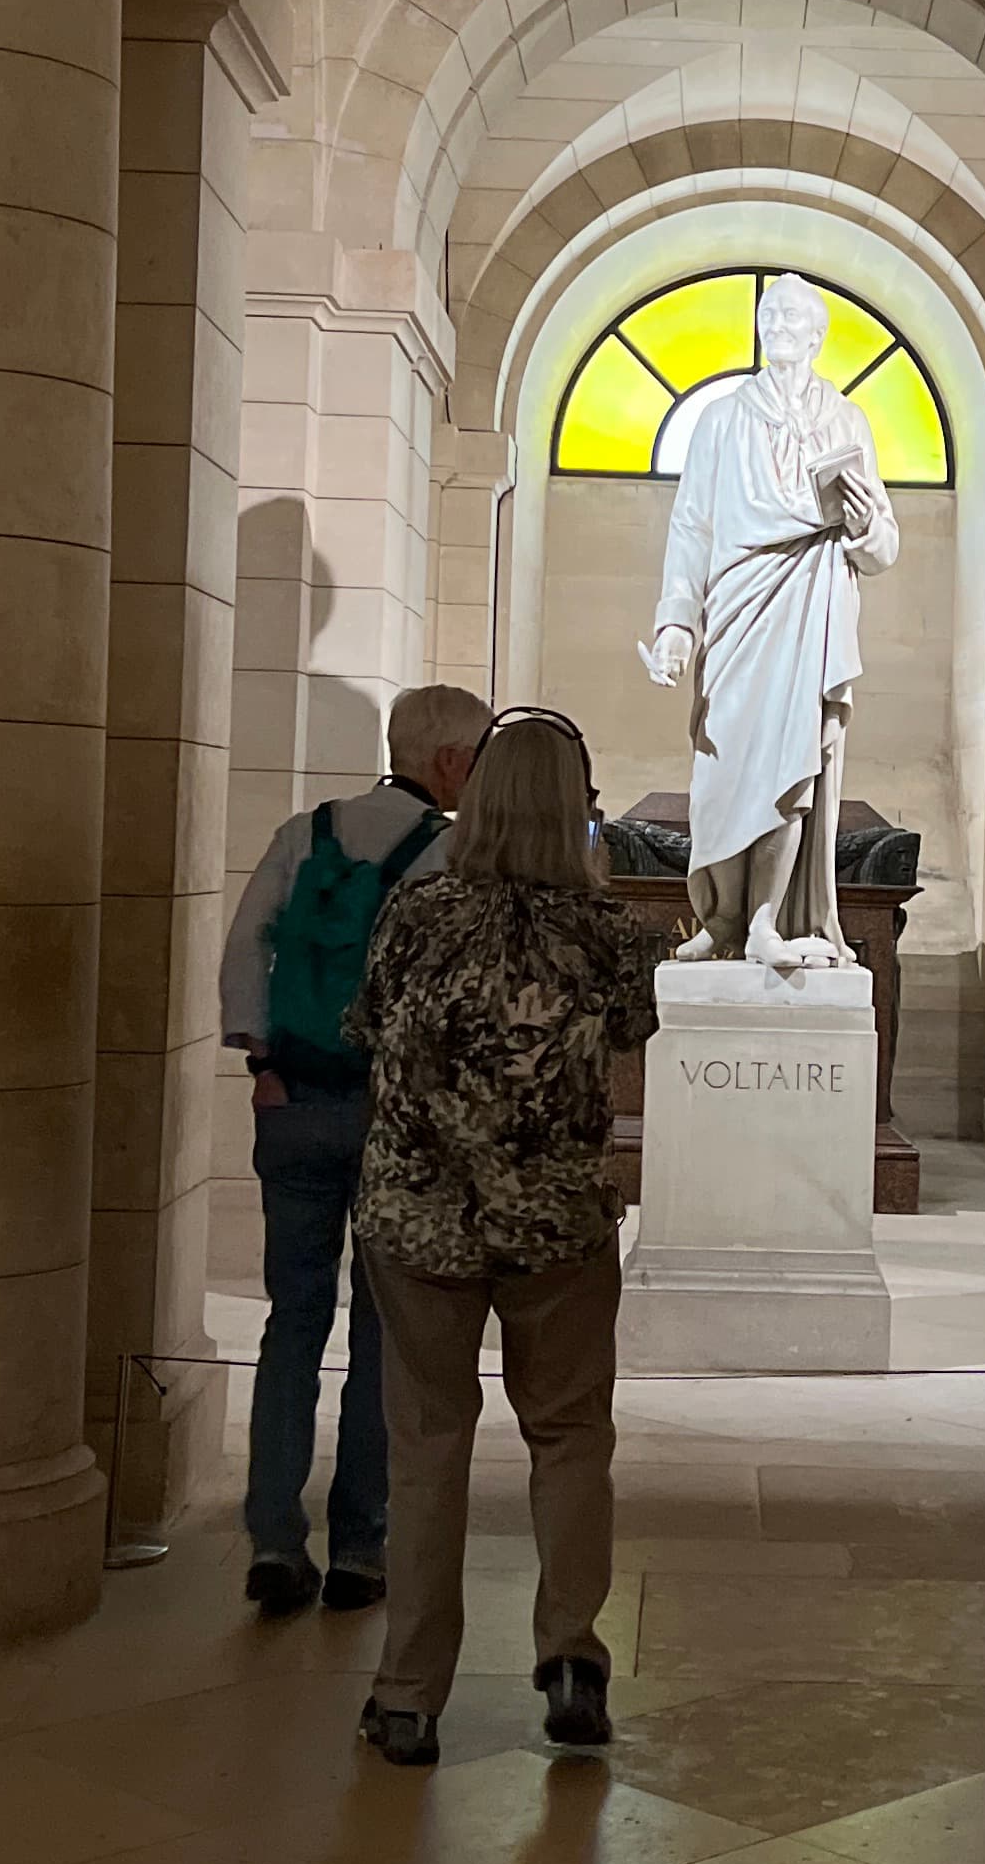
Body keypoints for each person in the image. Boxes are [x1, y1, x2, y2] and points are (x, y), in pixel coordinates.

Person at [344, 708, 660, 1767]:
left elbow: (369, 1028)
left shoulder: (416, 912)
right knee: (569, 1439)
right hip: (557, 1220)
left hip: (419, 1216)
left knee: (428, 1445)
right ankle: (571, 1655)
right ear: (580, 806)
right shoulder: (610, 934)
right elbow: (625, 1033)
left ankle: (407, 1696)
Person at [218, 680, 492, 1616]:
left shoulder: (308, 832)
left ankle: (271, 1538)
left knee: (290, 1323)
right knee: (385, 1335)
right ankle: (362, 1548)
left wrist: (264, 1066)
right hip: (396, 1123)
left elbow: (245, 947)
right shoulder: (456, 851)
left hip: (293, 1103)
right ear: (451, 761)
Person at [640, 269, 898, 965]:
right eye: (772, 318)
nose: (781, 329)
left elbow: (882, 548)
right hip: (735, 609)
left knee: (792, 769)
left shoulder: (845, 421)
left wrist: (868, 527)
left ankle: (764, 925)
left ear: (817, 336)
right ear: (760, 329)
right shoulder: (722, 420)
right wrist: (675, 624)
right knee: (723, 772)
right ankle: (720, 923)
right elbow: (691, 525)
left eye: (795, 320)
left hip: (809, 605)